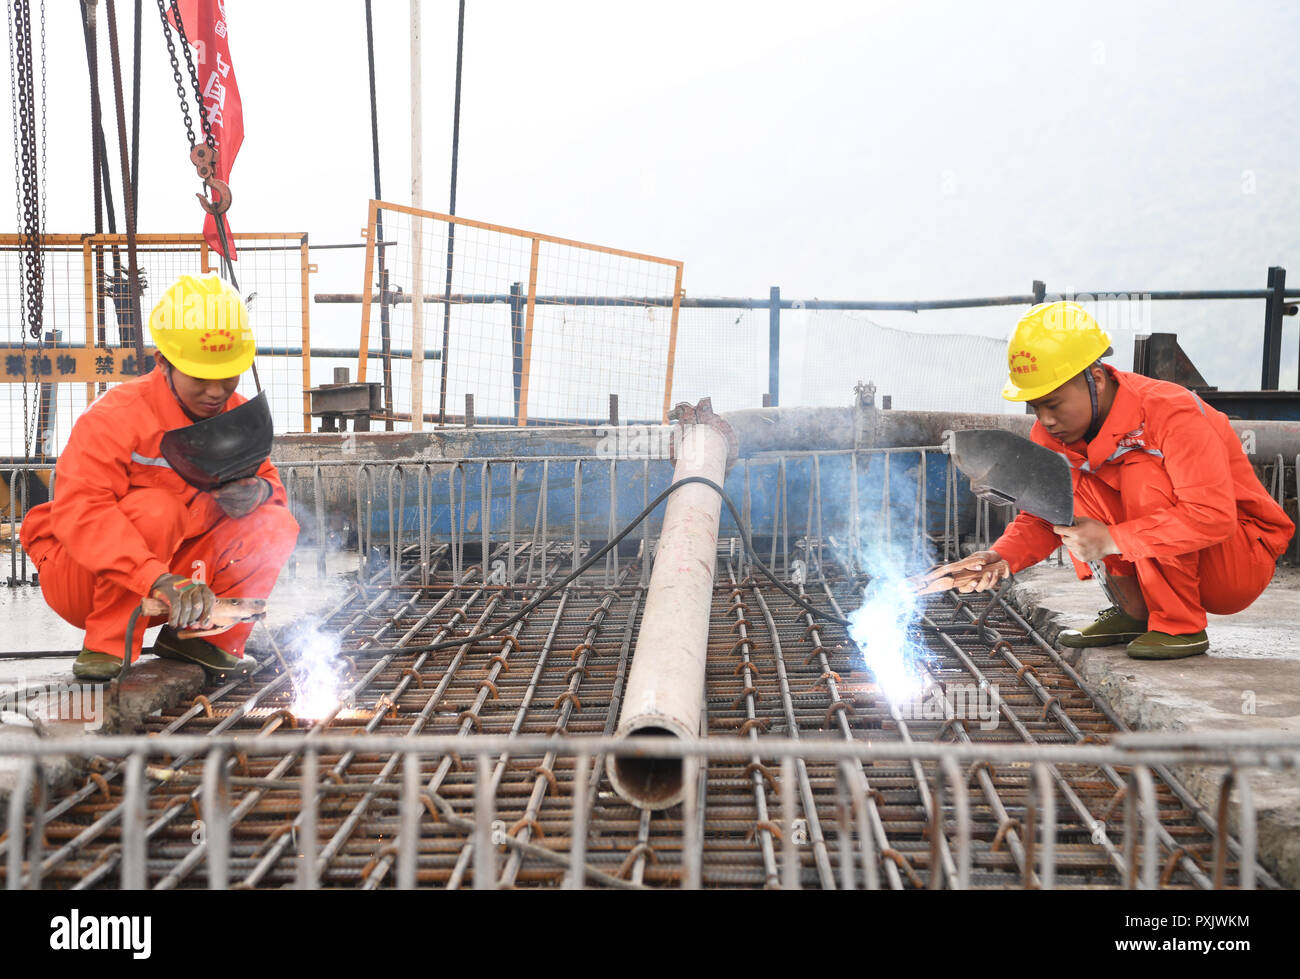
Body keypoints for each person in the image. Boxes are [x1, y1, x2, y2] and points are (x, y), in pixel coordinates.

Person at [940, 301, 1294, 659]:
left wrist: (1113, 539)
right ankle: (1134, 613)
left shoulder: (1171, 413)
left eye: (1054, 403)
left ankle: (1180, 626)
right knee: (1066, 483)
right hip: (1180, 550)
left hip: (1236, 560)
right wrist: (1000, 557)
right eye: (1035, 407)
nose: (1045, 420)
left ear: (1095, 379)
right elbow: (1047, 512)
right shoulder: (1053, 435)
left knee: (1141, 474)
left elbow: (1212, 516)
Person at [20, 274, 299, 681]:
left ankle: (207, 640)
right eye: (201, 377)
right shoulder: (116, 417)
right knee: (157, 509)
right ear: (164, 362)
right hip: (85, 576)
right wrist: (157, 578)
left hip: (178, 582)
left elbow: (273, 491)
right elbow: (83, 513)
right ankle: (108, 644)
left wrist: (259, 491)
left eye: (228, 375)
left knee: (274, 523)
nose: (217, 392)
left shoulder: (235, 415)